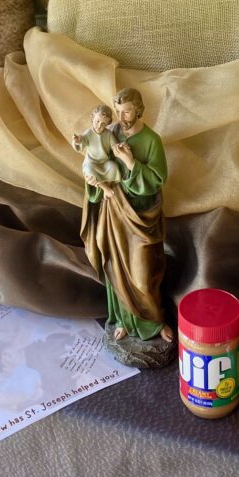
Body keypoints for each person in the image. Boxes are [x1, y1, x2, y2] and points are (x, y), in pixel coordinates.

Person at [79, 88, 173, 346]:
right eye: (118, 111)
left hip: (142, 216)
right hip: (114, 212)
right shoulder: (111, 133)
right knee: (115, 268)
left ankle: (154, 321)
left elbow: (157, 180)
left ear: (139, 110)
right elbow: (95, 160)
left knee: (143, 275)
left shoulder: (152, 140)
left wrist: (131, 163)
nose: (121, 116)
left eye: (127, 111)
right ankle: (124, 321)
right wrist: (92, 181)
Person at [71, 104, 122, 185]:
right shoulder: (89, 133)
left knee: (113, 167)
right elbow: (82, 140)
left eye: (103, 124)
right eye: (97, 121)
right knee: (90, 171)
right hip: (91, 162)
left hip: (105, 162)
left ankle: (109, 185)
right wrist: (77, 141)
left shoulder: (108, 134)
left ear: (107, 124)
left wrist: (119, 147)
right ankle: (105, 189)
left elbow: (114, 146)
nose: (99, 126)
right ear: (93, 118)